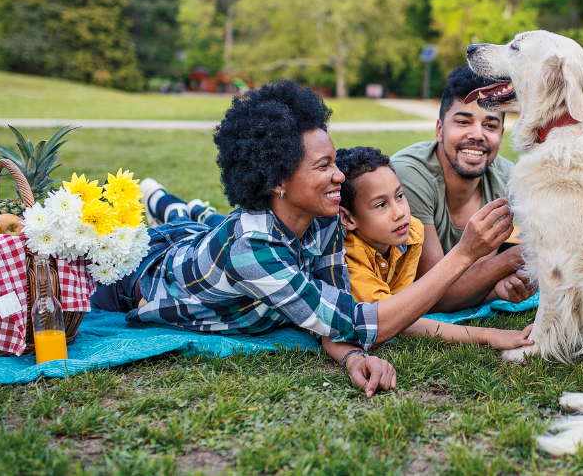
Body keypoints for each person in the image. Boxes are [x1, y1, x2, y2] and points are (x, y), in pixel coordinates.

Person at [91, 80, 515, 397]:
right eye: (324, 166)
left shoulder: (324, 217)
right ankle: (163, 205)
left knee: (202, 223)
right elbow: (367, 322)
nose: (339, 176)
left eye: (335, 162)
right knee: (136, 244)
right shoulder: (253, 252)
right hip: (139, 280)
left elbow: (332, 307)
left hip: (203, 242)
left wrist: (351, 356)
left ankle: (170, 202)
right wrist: (465, 254)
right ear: (277, 180)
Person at [335, 146, 534, 348]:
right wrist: (487, 335)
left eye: (399, 196)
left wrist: (493, 293)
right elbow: (391, 321)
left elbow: (407, 303)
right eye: (381, 205)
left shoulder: (411, 233)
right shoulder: (348, 257)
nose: (399, 213)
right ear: (347, 218)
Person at [391, 67, 533, 312]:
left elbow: (479, 276)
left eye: (490, 126)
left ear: (501, 134)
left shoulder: (507, 179)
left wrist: (496, 289)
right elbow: (434, 295)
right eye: (463, 122)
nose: (477, 135)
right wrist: (516, 257)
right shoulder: (409, 176)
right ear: (439, 129)